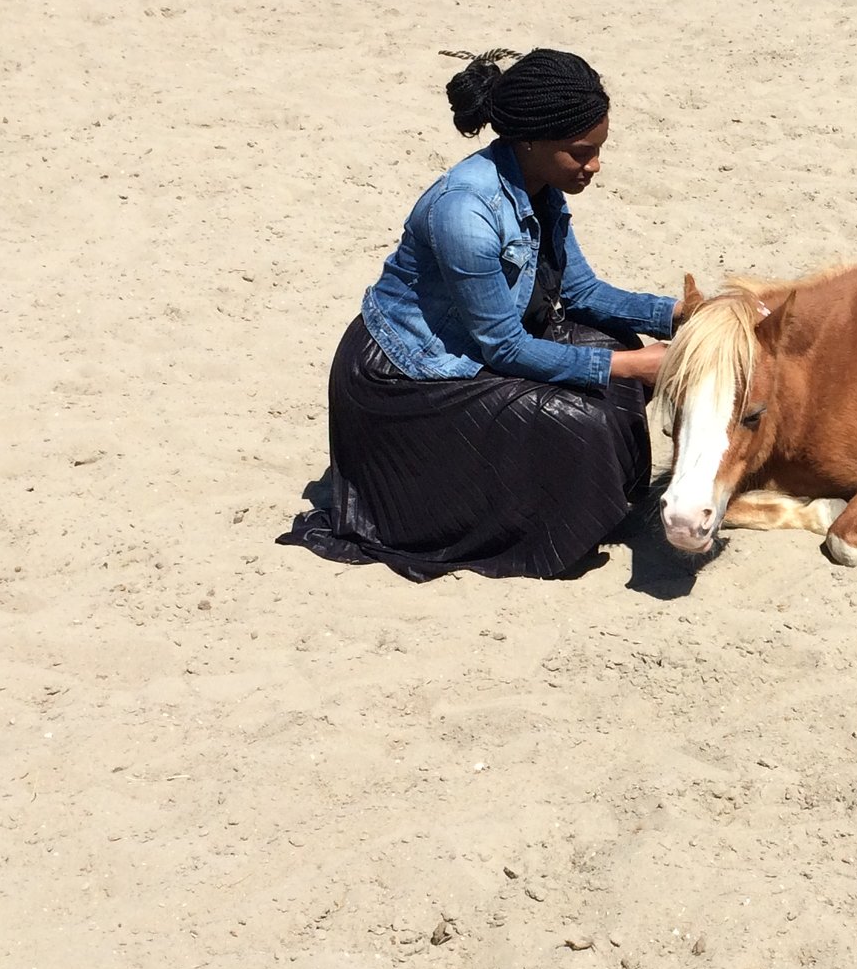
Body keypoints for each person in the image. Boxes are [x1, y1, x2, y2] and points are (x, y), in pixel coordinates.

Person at [285, 48, 680, 580]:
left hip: (475, 343)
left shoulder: (540, 186)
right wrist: (636, 366)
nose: (594, 166)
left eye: (598, 149)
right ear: (531, 141)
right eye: (581, 152)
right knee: (587, 414)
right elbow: (503, 349)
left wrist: (679, 315)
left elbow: (582, 291)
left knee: (617, 344)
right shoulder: (464, 210)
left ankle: (589, 507)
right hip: (410, 377)